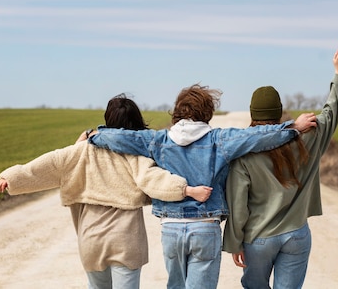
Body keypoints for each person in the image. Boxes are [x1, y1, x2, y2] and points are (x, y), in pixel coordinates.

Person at [89, 87, 317, 289]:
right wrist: (293, 127)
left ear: (177, 112)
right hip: (205, 229)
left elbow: (119, 137)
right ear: (207, 112)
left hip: (171, 228)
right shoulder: (220, 139)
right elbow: (258, 136)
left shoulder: (157, 140)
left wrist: (93, 136)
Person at [0, 94, 213, 289]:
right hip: (126, 241)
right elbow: (153, 180)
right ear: (136, 121)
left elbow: (48, 164)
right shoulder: (134, 154)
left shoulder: (82, 150)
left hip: (91, 239)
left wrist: (10, 178)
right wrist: (186, 189)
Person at [222, 41, 338, 288]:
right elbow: (331, 112)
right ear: (280, 112)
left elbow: (238, 205)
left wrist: (235, 242)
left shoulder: (244, 151)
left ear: (252, 114)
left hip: (258, 239)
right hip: (296, 234)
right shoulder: (307, 138)